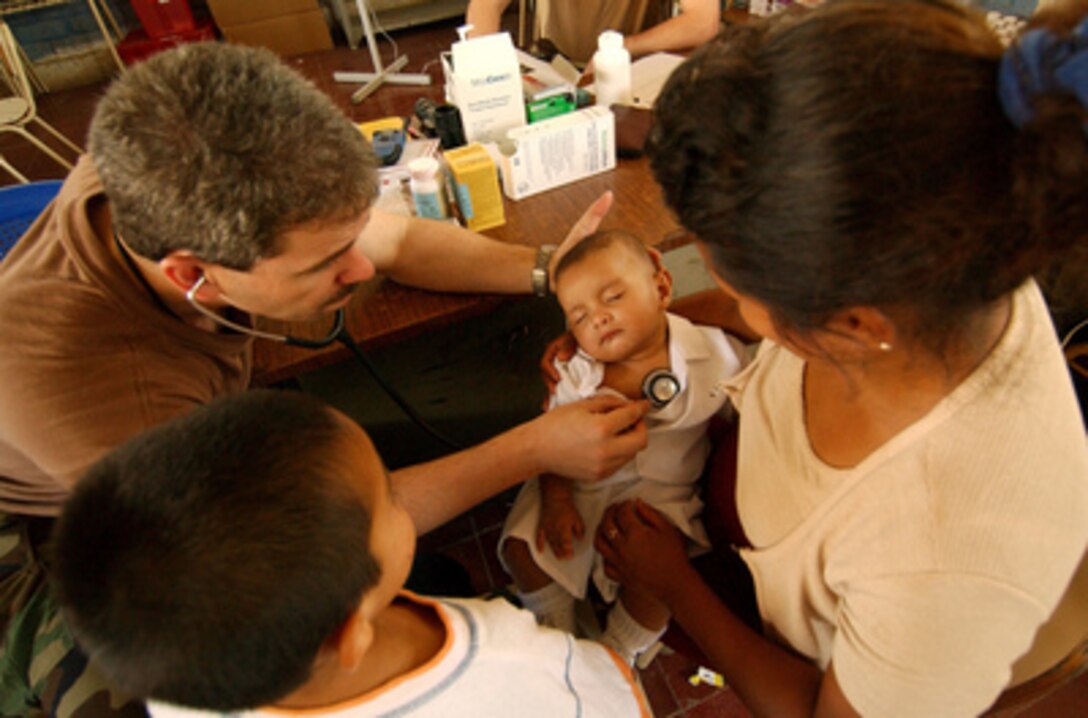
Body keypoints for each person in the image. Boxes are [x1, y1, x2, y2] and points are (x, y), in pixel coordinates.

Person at [0, 43, 648, 717]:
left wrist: (551, 268)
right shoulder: (96, 392)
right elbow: (303, 532)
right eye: (327, 264)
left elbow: (394, 245)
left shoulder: (169, 158)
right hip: (46, 540)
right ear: (194, 277)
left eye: (351, 240)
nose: (361, 270)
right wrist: (533, 447)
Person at [588, 1, 1088, 716]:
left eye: (729, 278)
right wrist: (638, 333)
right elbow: (742, 315)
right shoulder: (944, 248)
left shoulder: (949, 556)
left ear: (850, 325)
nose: (720, 293)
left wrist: (677, 589)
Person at [49, 390, 652, 717]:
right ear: (350, 636)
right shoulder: (513, 669)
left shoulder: (187, 671)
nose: (399, 497)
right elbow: (609, 696)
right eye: (389, 499)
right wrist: (605, 659)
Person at [499, 230, 746, 665]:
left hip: (661, 499)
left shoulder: (716, 353)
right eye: (578, 317)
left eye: (613, 296)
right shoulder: (575, 373)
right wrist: (557, 501)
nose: (597, 318)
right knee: (523, 546)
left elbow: (748, 404)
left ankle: (619, 652)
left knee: (660, 580)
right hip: (579, 487)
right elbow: (550, 442)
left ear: (662, 288)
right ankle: (556, 630)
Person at [465, 0, 721, 64]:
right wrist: (484, 69)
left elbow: (703, 21)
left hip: (632, 71)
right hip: (556, 67)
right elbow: (486, 5)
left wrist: (623, 47)